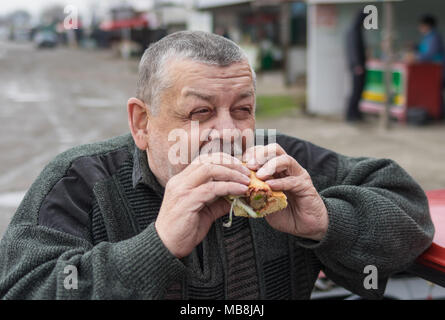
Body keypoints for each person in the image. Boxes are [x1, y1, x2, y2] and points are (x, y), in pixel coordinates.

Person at [0, 31, 434, 299]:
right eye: (200, 113)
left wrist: (327, 221)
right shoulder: (80, 182)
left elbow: (410, 211)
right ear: (142, 123)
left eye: (242, 110)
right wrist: (156, 246)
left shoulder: (283, 165)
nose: (228, 132)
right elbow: (25, 289)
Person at [416, 14, 445, 118]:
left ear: (427, 25)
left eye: (421, 25)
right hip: (431, 71)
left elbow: (429, 55)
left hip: (438, 71)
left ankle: (438, 113)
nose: (419, 28)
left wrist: (416, 57)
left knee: (437, 93)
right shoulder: (428, 37)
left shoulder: (434, 37)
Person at [345, 10, 367, 122]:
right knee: (356, 91)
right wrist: (358, 64)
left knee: (357, 91)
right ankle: (351, 114)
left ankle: (355, 113)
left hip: (355, 65)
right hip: (357, 67)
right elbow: (354, 50)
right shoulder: (354, 31)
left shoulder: (352, 30)